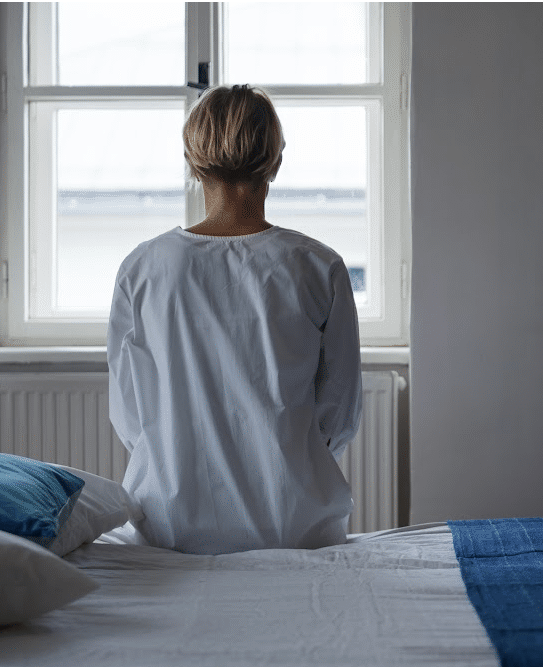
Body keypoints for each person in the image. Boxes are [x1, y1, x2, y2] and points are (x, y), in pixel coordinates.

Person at [107, 84, 362, 555]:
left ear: (191, 161)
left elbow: (131, 416)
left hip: (170, 529)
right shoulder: (318, 266)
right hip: (293, 528)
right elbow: (339, 415)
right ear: (277, 161)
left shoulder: (142, 269)